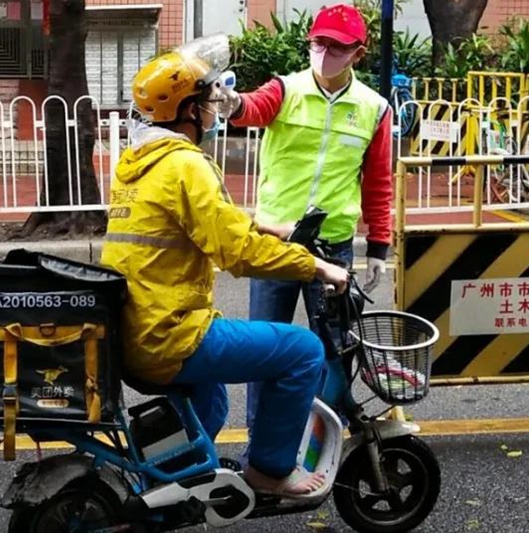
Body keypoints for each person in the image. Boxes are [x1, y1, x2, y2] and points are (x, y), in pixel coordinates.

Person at [100, 34, 350, 497]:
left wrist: (267, 226)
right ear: (186, 111)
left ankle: (168, 485)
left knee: (210, 399)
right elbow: (237, 253)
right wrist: (316, 267)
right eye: (206, 100)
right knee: (303, 351)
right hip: (171, 334)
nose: (215, 108)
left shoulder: (140, 163)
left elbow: (206, 222)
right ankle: (269, 470)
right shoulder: (187, 165)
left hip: (137, 330)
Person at [219, 4, 393, 444]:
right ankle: (260, 442)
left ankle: (322, 439)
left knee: (335, 350)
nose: (325, 52)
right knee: (263, 348)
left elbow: (378, 181)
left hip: (331, 247)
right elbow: (252, 107)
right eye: (319, 43)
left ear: (358, 53)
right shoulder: (286, 89)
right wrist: (233, 104)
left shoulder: (373, 108)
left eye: (337, 47)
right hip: (274, 240)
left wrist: (378, 246)